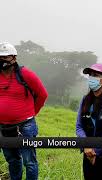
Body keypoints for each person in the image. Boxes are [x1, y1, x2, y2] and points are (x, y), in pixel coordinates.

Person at [0, 42, 48, 180]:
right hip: (3, 128)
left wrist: (32, 113)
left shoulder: (25, 74)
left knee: (29, 162)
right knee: (13, 160)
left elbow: (42, 94)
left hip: (25, 126)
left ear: (14, 58)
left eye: (5, 57)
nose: (2, 61)